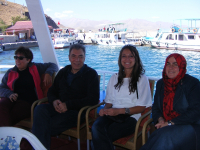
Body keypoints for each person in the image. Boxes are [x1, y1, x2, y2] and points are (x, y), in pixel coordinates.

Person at [32, 44, 99, 149]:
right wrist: (54, 101)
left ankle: (38, 147)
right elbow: (52, 91)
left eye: (80, 56)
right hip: (58, 107)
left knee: (45, 125)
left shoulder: (91, 74)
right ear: (69, 57)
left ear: (84, 58)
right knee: (39, 109)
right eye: (73, 56)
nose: (77, 59)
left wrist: (68, 105)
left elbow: (93, 99)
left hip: (77, 111)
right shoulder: (63, 72)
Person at [91, 45, 152, 150]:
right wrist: (105, 110)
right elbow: (109, 102)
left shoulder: (142, 79)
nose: (127, 59)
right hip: (112, 114)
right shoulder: (114, 77)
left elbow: (141, 108)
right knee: (96, 127)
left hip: (131, 117)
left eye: (131, 56)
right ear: (120, 59)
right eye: (124, 56)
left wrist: (119, 111)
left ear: (136, 59)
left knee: (104, 135)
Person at [140, 53, 200, 150]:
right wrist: (160, 120)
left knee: (164, 137)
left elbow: (196, 111)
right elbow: (156, 108)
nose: (171, 67)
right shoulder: (161, 84)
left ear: (182, 66)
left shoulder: (192, 83)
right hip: (167, 126)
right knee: (159, 136)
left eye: (175, 64)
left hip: (190, 126)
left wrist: (170, 123)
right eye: (168, 64)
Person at [0, 46, 58, 126]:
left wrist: (48, 73)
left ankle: (5, 135)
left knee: (12, 115)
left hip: (28, 102)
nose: (17, 60)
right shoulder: (10, 72)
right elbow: (2, 87)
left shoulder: (36, 68)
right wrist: (9, 94)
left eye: (20, 58)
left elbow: (53, 65)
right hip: (11, 98)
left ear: (28, 60)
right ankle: (5, 134)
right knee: (1, 106)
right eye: (16, 57)